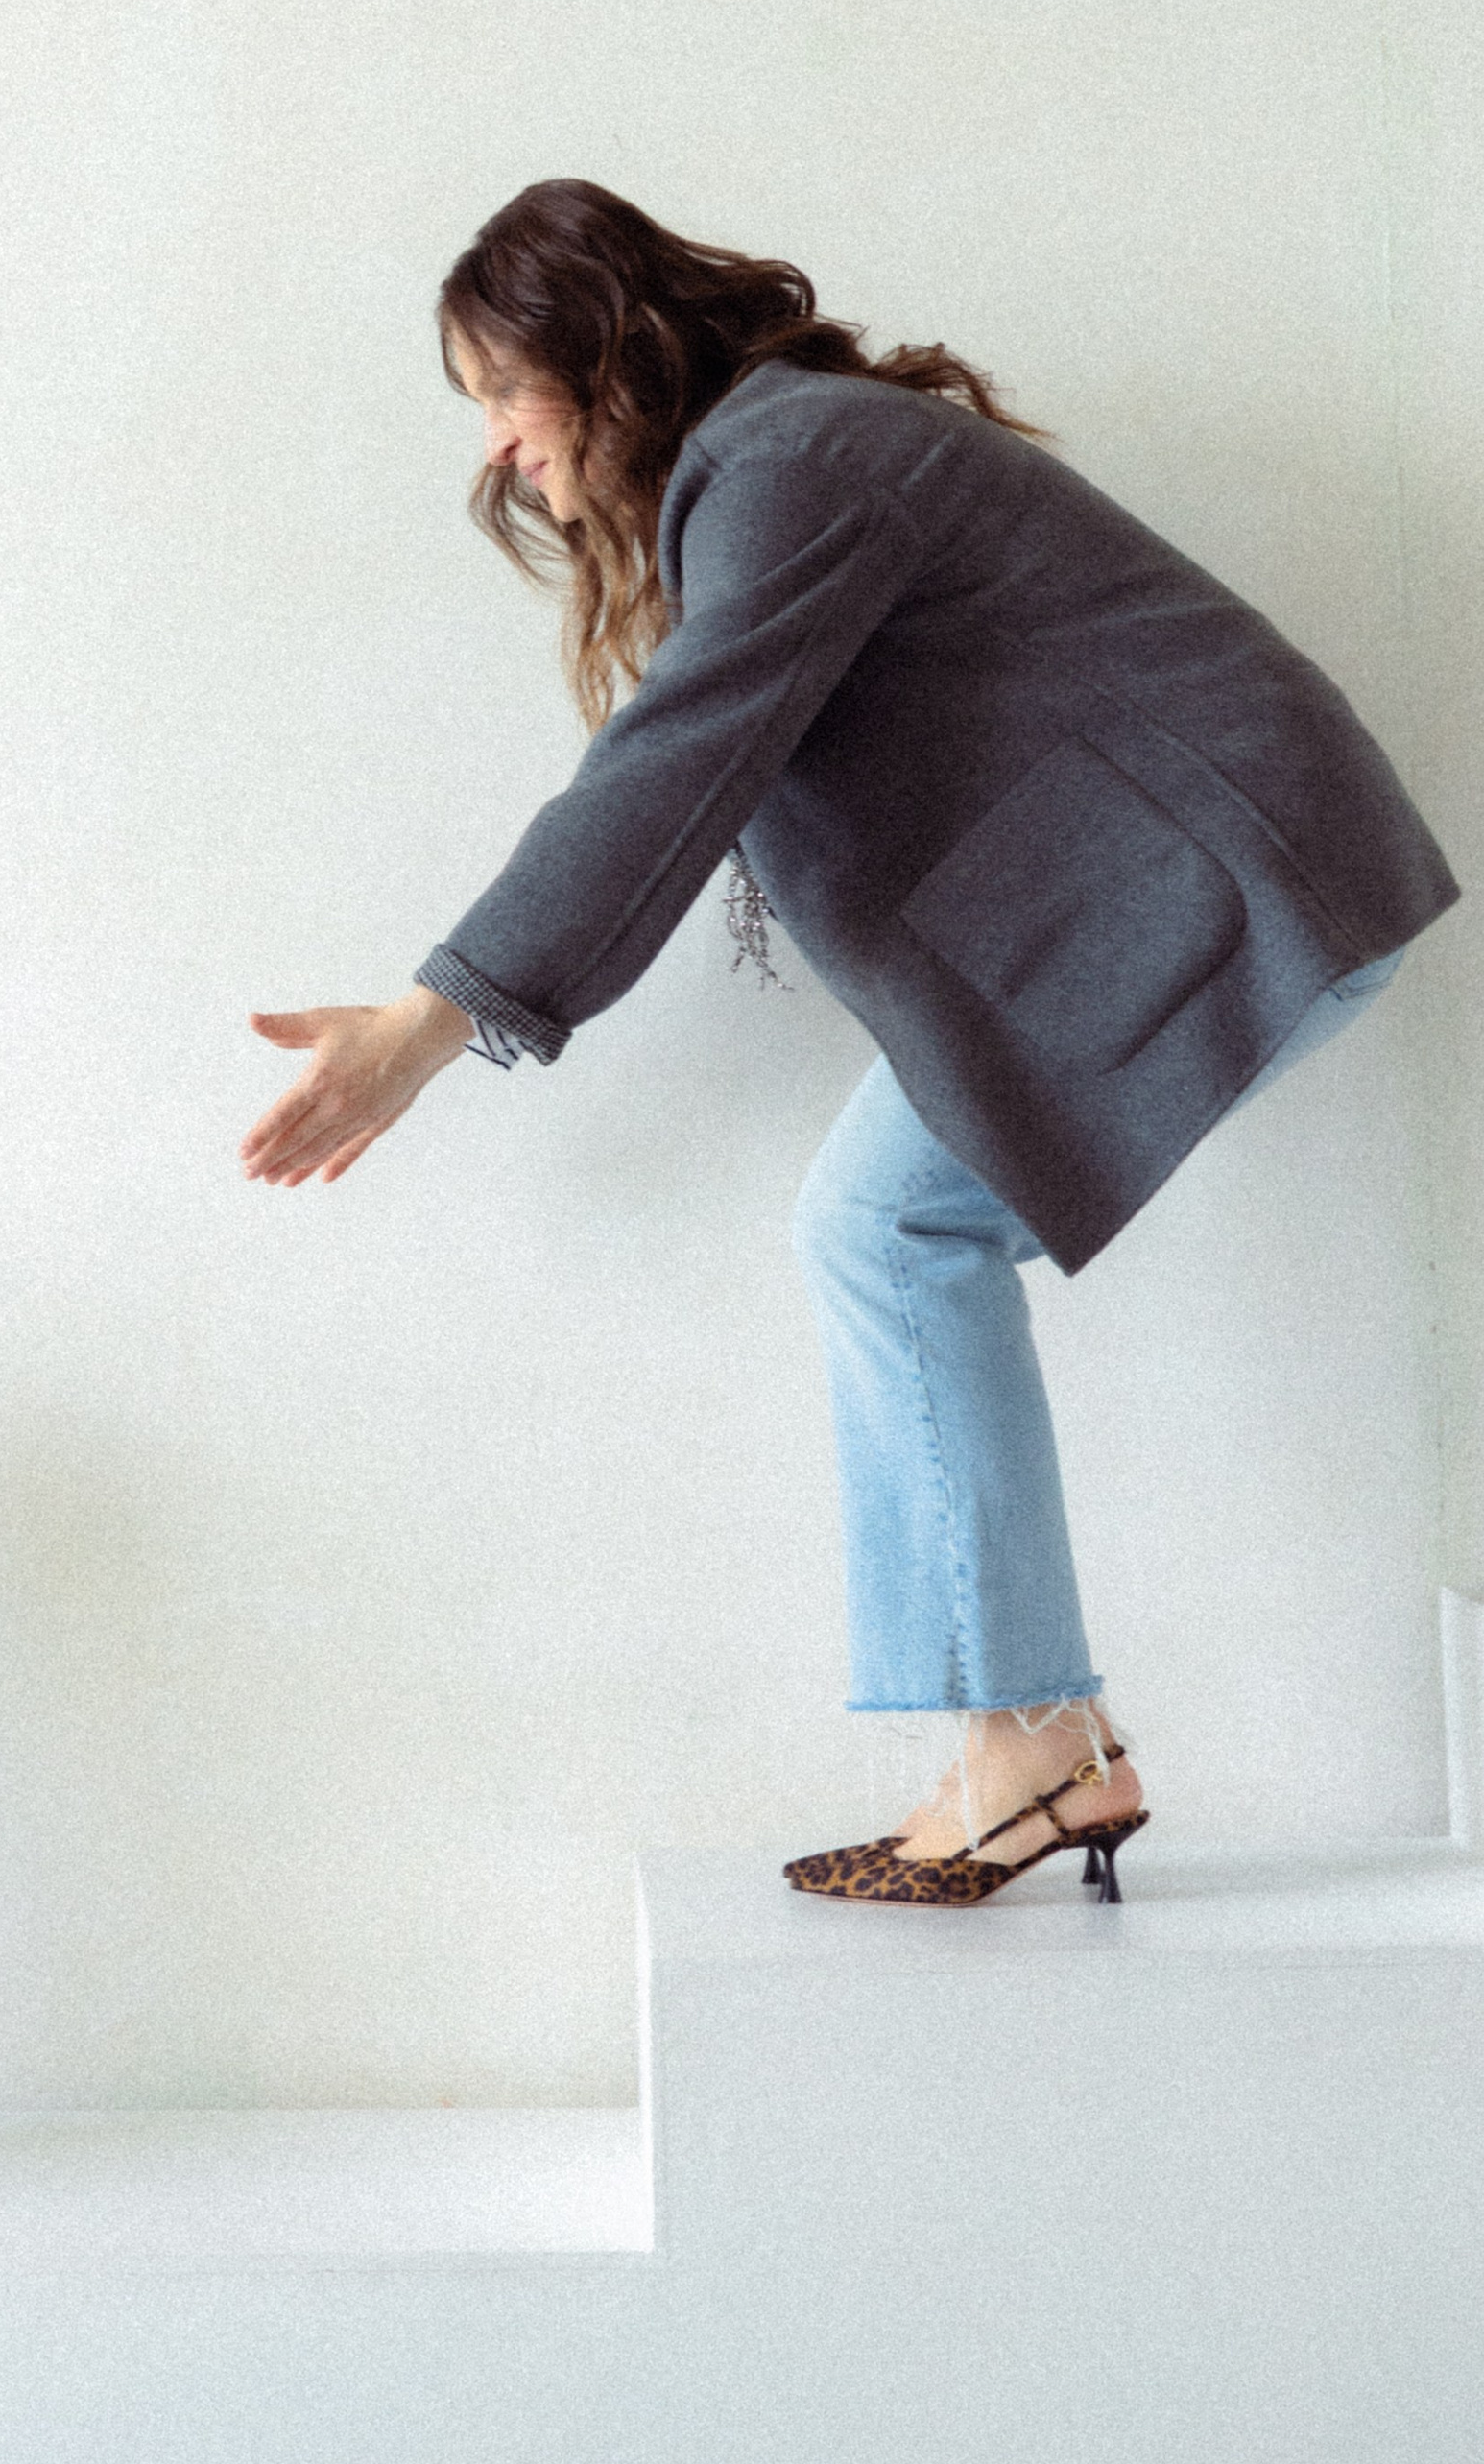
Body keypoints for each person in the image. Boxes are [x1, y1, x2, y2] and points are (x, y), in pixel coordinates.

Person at [240, 179, 1454, 1908]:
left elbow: (675, 762)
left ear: (602, 358)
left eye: (505, 398)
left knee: (890, 1224)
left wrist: (433, 1020)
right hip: (1209, 863)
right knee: (897, 1227)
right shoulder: (782, 464)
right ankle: (1032, 1739)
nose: (502, 454)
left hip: (1235, 862)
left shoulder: (791, 460)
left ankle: (1036, 1739)